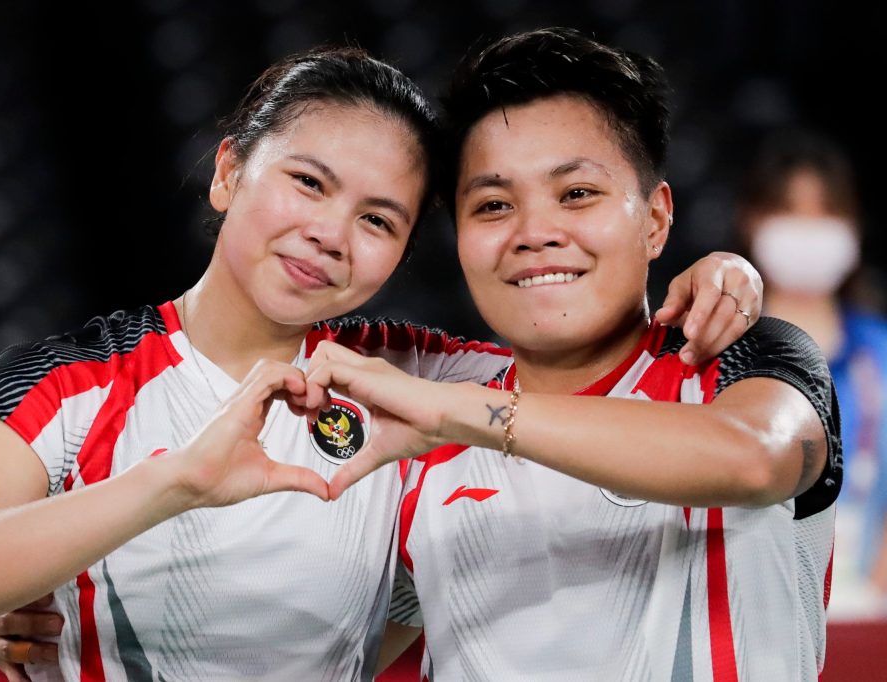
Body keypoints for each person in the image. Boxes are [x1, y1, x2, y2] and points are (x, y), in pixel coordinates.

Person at [0, 46, 759, 682]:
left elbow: (602, 367)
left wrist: (728, 274)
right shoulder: (74, 378)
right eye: (307, 182)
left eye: (379, 220)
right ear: (228, 172)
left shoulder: (422, 381)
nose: (330, 236)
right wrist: (176, 483)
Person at [304, 28, 842, 680]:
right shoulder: (427, 441)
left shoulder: (746, 358)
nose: (535, 233)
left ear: (656, 218)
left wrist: (464, 414)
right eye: (494, 205)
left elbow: (757, 457)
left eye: (577, 194)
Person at [737, 131, 887, 619]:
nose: (808, 231)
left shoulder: (881, 354)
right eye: (789, 211)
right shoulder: (716, 353)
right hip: (746, 614)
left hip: (865, 615)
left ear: (853, 226)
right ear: (753, 222)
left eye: (825, 213)